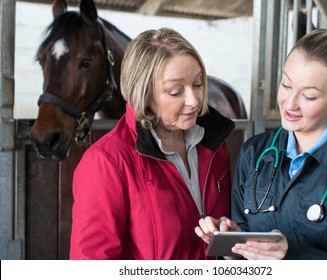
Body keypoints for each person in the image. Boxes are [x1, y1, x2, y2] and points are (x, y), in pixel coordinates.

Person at [195, 28, 327, 259]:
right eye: (286, 85)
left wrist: (290, 255)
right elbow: (243, 248)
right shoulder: (255, 153)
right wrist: (233, 243)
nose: (290, 103)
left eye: (309, 96)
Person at [69, 27, 235, 259]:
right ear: (144, 95)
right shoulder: (106, 162)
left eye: (197, 84)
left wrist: (232, 248)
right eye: (175, 91)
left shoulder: (215, 143)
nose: (194, 100)